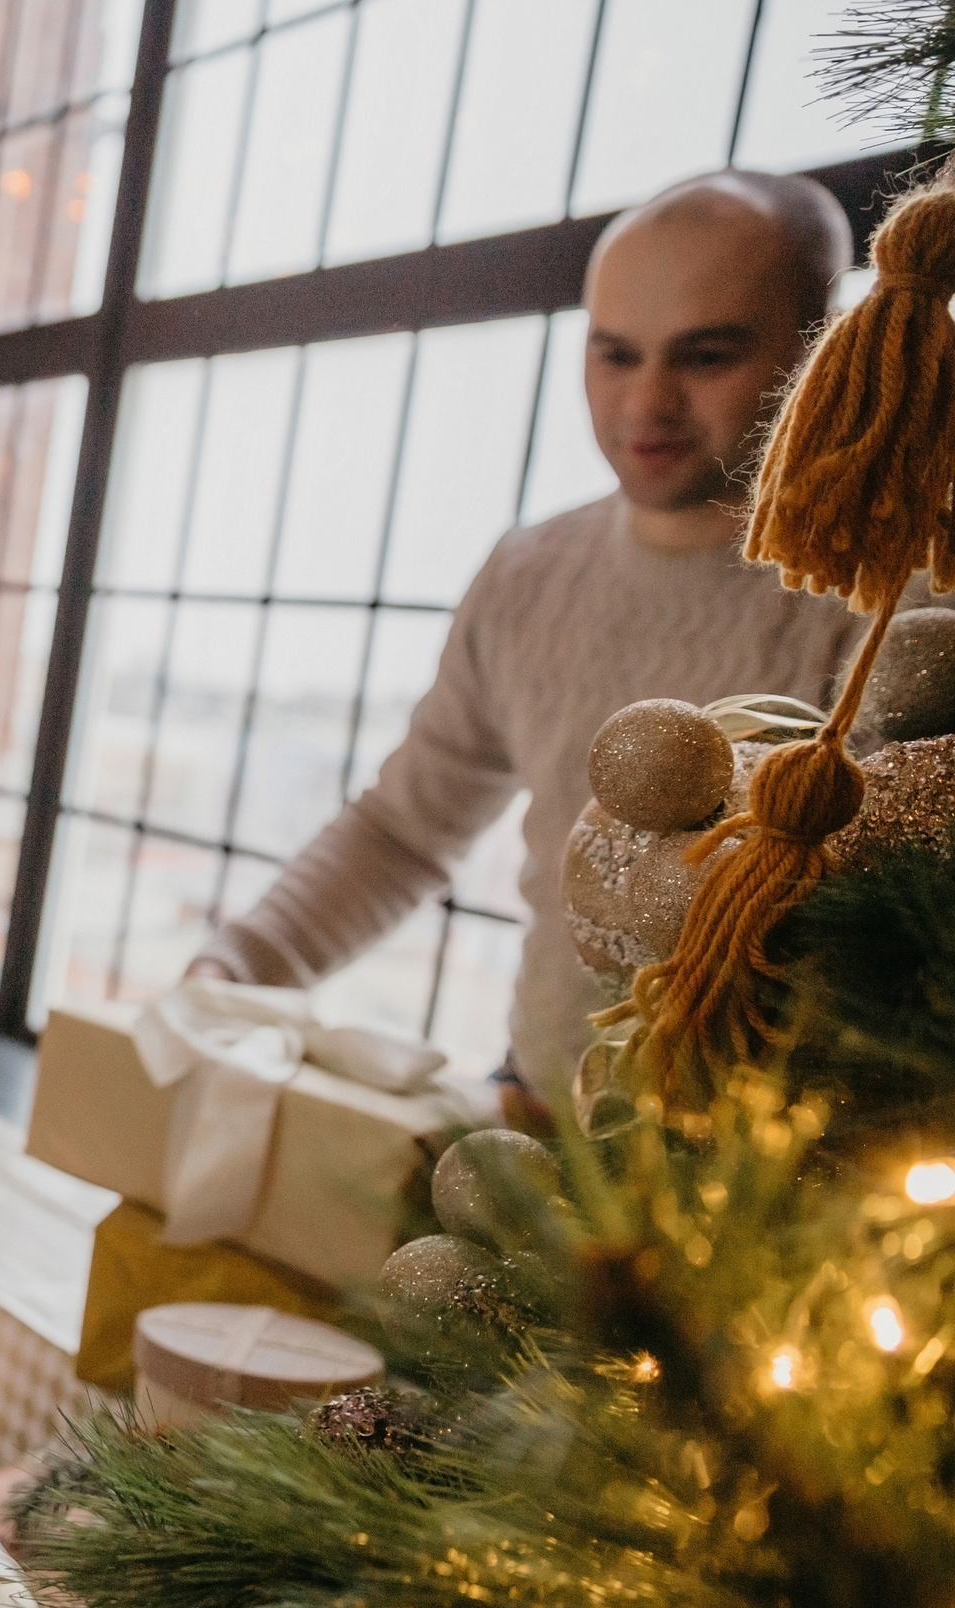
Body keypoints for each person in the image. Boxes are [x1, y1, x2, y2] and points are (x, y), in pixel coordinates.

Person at [187, 169, 870, 1124]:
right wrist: (233, 967)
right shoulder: (526, 575)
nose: (647, 402)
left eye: (705, 356)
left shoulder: (892, 594)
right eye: (614, 354)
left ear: (823, 347)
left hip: (790, 1163)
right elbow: (402, 831)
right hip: (535, 1113)